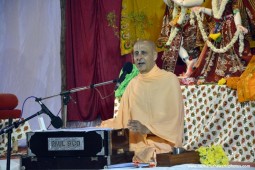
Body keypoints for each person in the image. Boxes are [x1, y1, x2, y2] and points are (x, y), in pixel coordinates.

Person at [101, 40, 184, 163]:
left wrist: (148, 129)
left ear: (154, 56)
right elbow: (122, 120)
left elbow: (174, 120)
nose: (139, 58)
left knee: (153, 152)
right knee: (104, 136)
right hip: (136, 141)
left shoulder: (169, 80)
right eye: (136, 53)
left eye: (143, 53)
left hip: (161, 141)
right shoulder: (133, 83)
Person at [190, 0, 253, 83]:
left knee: (232, 50)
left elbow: (236, 11)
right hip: (218, 26)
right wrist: (202, 9)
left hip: (230, 26)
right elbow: (215, 14)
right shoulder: (215, 1)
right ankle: (215, 74)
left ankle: (229, 73)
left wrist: (238, 25)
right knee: (213, 50)